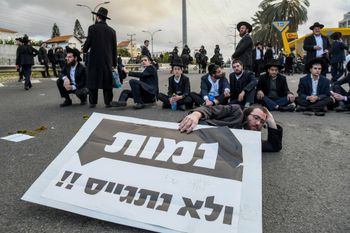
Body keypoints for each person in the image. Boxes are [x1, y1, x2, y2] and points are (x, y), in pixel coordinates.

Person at [178, 104, 282, 152]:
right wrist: (195, 115)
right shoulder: (236, 111)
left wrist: (271, 120)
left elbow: (274, 146)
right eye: (256, 117)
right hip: (190, 130)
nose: (258, 123)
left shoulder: (251, 140)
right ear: (247, 114)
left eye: (262, 122)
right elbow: (210, 110)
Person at [83, 7, 117, 108]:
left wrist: (84, 49)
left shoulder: (92, 28)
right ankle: (108, 102)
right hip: (108, 60)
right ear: (105, 18)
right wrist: (114, 63)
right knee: (107, 81)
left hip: (94, 60)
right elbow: (114, 49)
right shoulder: (112, 31)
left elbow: (87, 45)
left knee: (93, 81)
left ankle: (93, 102)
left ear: (98, 17)